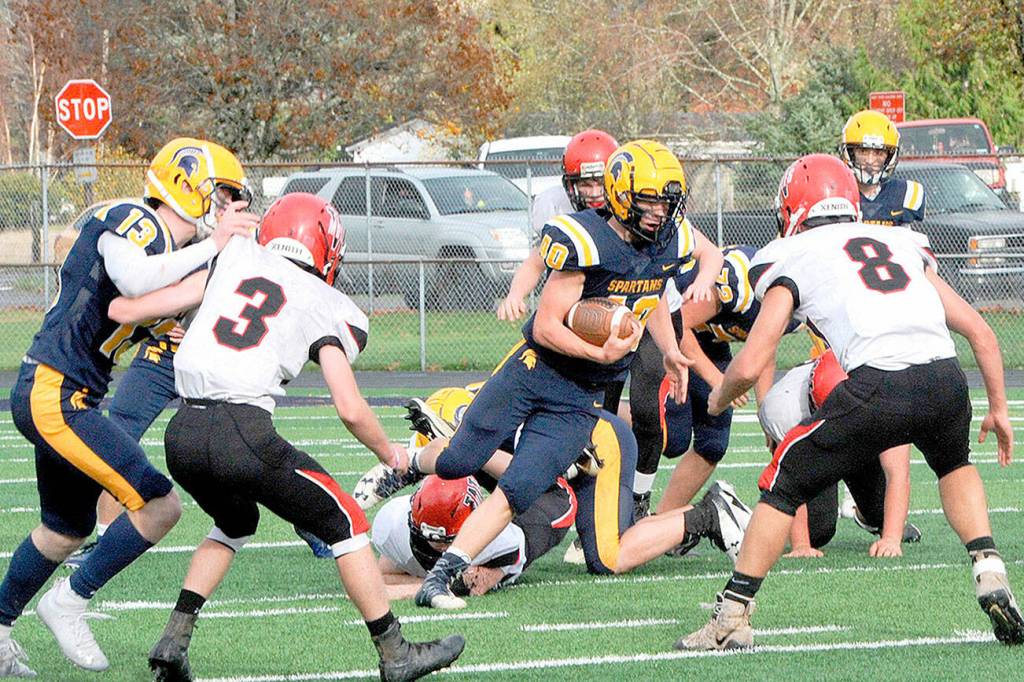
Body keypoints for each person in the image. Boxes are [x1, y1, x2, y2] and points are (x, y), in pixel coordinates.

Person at [106, 192, 464, 681]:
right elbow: (350, 407)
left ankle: (173, 641)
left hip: (182, 432)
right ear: (326, 247)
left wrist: (118, 305)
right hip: (242, 431)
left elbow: (148, 306)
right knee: (347, 522)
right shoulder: (324, 300)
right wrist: (390, 452)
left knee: (235, 523)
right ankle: (396, 653)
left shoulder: (232, 257)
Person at [675, 153, 1022, 651]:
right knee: (954, 464)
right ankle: (988, 567)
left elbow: (751, 363)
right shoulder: (899, 241)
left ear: (793, 207)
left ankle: (731, 617)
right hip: (946, 380)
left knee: (782, 481)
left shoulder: (791, 254)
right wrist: (999, 409)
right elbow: (982, 333)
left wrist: (719, 397)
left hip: (877, 383)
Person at [401, 139, 697, 608]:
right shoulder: (586, 239)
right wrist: (600, 354)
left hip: (579, 397)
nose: (660, 212)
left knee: (518, 489)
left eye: (667, 202)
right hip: (533, 371)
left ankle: (441, 577)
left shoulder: (670, 242)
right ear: (622, 196)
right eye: (650, 201)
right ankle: (405, 463)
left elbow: (653, 290)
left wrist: (671, 350)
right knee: (459, 460)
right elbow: (545, 326)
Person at [0, 138, 256, 676]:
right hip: (55, 391)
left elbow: (138, 308)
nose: (226, 209)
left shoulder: (173, 259)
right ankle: (71, 600)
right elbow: (135, 283)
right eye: (221, 195)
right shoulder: (135, 219)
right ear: (187, 184)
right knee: (161, 506)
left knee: (64, 529)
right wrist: (212, 251)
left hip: (69, 394)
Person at [632, 245, 796, 521]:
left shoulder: (793, 300)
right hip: (665, 330)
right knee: (672, 436)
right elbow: (679, 324)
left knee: (713, 442)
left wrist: (766, 415)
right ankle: (606, 421)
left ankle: (658, 522)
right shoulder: (739, 282)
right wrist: (718, 380)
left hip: (708, 339)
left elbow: (765, 351)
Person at [757, 349, 921, 558]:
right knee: (816, 531)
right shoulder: (783, 409)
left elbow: (897, 473)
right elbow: (790, 478)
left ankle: (867, 515)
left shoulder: (886, 394)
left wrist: (891, 538)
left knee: (881, 513)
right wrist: (801, 545)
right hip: (817, 444)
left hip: (863, 434)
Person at [373, 473, 578, 601]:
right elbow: (377, 580)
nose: (439, 547)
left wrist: (413, 588)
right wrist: (431, 584)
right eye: (430, 539)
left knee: (526, 474)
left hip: (552, 499)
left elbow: (477, 583)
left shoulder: (501, 542)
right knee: (458, 460)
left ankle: (568, 466)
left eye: (447, 541)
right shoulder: (394, 526)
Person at [498, 129, 620, 322]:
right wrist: (515, 294)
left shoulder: (628, 212)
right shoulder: (556, 206)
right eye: (586, 184)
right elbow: (536, 261)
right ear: (571, 185)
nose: (595, 193)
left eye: (600, 183)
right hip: (571, 312)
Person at [839, 109, 925, 227]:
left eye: (879, 153)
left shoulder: (906, 193)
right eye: (863, 151)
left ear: (889, 156)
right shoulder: (836, 194)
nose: (870, 161)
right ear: (851, 153)